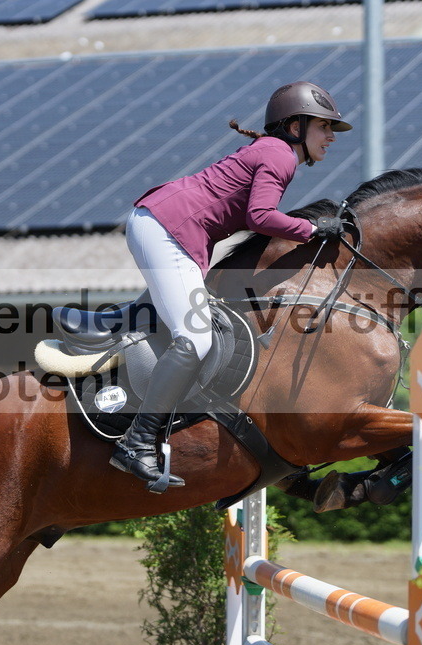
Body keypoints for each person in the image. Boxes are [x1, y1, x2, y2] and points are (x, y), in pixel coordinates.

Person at [110, 81, 353, 489]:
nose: (330, 137)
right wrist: (312, 228)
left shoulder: (274, 151)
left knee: (189, 314)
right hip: (170, 228)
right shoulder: (280, 155)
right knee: (197, 338)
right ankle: (138, 442)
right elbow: (261, 216)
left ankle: (112, 322)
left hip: (164, 223)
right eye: (323, 127)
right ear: (295, 125)